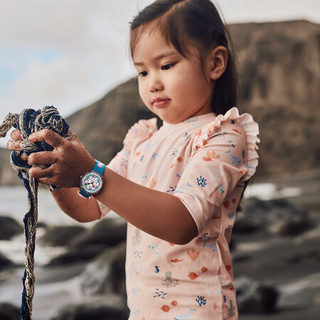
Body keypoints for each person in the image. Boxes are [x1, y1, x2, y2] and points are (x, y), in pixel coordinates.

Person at [7, 0, 259, 319]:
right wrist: (54, 169)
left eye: (166, 65)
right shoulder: (142, 140)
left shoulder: (223, 136)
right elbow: (88, 206)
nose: (152, 81)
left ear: (215, 62)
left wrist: (87, 173)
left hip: (200, 310)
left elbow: (181, 221)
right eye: (142, 70)